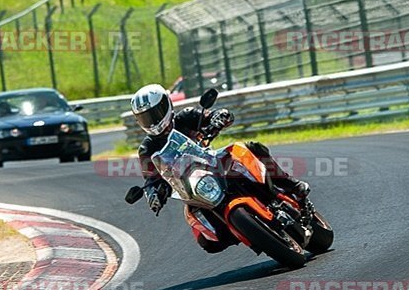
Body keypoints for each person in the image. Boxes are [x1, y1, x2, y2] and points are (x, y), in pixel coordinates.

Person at [130, 84, 309, 253]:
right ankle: (242, 231)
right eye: (145, 117)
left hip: (213, 161)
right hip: (189, 184)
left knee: (249, 148)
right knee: (206, 240)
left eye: (154, 114)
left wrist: (219, 117)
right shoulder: (147, 149)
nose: (152, 121)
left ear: (166, 105)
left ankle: (291, 185)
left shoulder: (186, 116)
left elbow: (212, 115)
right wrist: (154, 194)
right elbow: (151, 178)